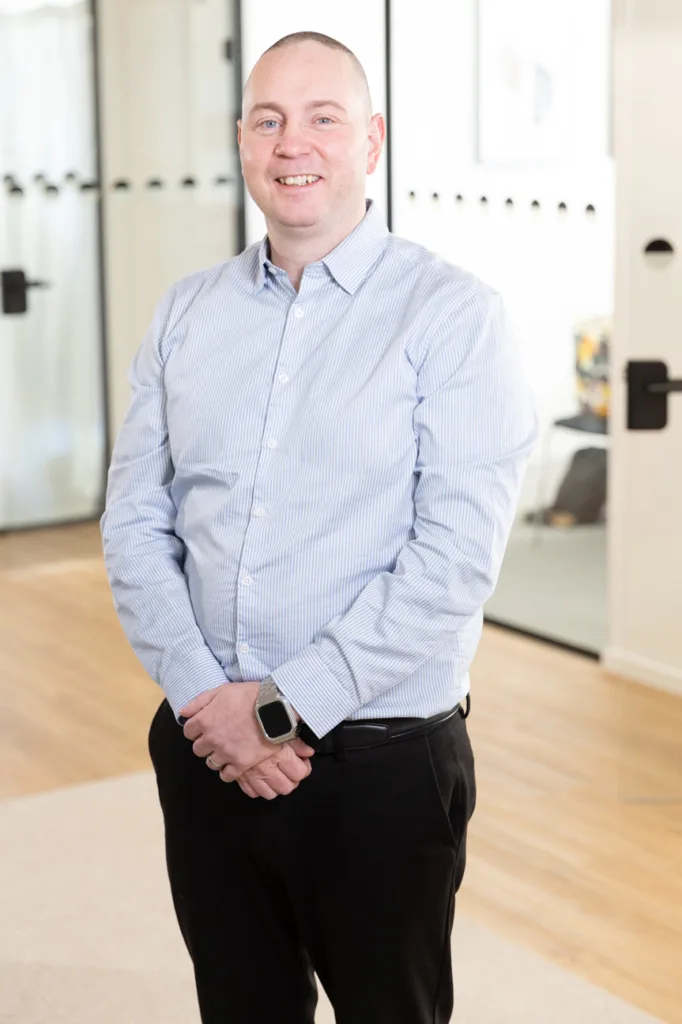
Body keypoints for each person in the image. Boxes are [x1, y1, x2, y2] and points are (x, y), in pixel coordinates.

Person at [101, 29, 538, 1024]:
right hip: (203, 745)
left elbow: (452, 563)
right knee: (241, 1005)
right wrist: (208, 700)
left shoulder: (453, 316)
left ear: (372, 142)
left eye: (323, 118)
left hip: (377, 767)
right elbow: (132, 520)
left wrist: (277, 710)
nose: (292, 142)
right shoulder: (184, 314)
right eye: (268, 119)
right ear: (242, 141)